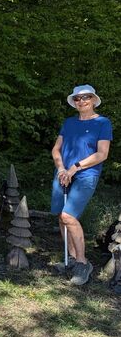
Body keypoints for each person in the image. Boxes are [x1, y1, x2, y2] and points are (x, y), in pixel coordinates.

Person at [51, 84, 111, 286]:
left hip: (85, 174)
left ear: (93, 100)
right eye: (77, 98)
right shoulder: (69, 122)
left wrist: (74, 168)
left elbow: (102, 154)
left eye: (86, 97)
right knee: (61, 216)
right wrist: (61, 168)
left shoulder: (103, 123)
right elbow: (56, 149)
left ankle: (83, 263)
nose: (81, 101)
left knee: (68, 216)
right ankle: (71, 259)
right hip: (63, 174)